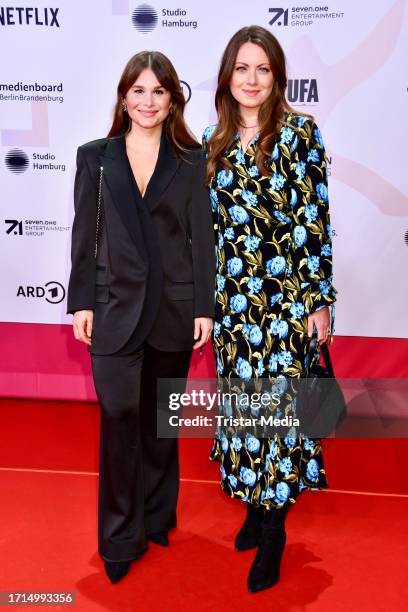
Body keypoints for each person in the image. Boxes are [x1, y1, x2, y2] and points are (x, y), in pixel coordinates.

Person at [67, 51, 214, 584]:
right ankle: (119, 537)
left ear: (172, 98)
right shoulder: (96, 157)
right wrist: (81, 300)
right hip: (112, 308)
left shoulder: (193, 160)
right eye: (138, 91)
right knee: (119, 418)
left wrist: (205, 307)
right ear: (123, 97)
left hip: (175, 308)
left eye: (158, 91)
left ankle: (156, 515)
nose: (148, 102)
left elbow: (203, 241)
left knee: (159, 424)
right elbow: (85, 235)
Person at [202, 26, 336, 593]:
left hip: (287, 306)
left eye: (262, 69)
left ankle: (275, 528)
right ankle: (255, 509)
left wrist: (319, 303)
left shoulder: (302, 134)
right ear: (227, 77)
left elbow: (315, 222)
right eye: (241, 69)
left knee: (281, 421)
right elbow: (205, 232)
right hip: (234, 309)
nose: (251, 80)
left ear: (277, 77)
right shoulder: (211, 140)